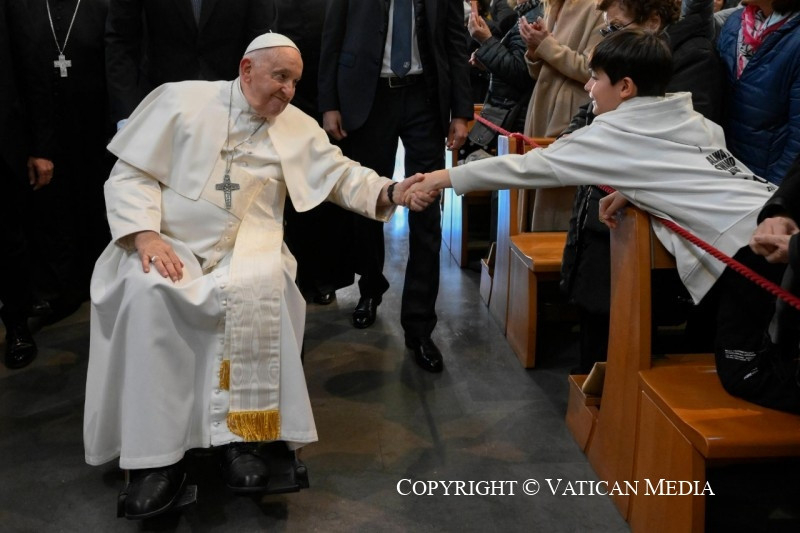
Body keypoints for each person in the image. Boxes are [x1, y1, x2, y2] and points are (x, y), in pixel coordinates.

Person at [84, 33, 434, 520]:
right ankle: (155, 460)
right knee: (149, 291)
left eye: (295, 82)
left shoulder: (296, 126)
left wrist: (393, 191)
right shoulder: (179, 101)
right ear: (247, 70)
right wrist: (145, 236)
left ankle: (243, 441)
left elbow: (341, 175)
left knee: (266, 285)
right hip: (168, 244)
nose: (288, 90)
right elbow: (130, 174)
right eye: (280, 77)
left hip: (248, 246)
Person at [405, 29, 798, 412]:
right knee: (774, 349)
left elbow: (524, 168)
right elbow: (685, 167)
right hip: (777, 217)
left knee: (745, 373)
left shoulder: (613, 132)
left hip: (752, 248)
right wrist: (633, 189)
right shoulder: (685, 113)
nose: (589, 87)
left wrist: (441, 178)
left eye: (595, 78)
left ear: (625, 87)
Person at [560, 0, 724, 373]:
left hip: (637, 212)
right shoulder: (629, 55)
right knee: (595, 325)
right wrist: (574, 139)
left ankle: (611, 402)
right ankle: (592, 395)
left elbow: (681, 144)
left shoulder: (692, 58)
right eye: (607, 28)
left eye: (616, 27)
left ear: (652, 21)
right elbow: (590, 109)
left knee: (625, 333)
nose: (608, 36)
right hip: (602, 204)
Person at [318, 0, 473, 373]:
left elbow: (456, 42)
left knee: (427, 213)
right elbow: (332, 35)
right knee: (367, 204)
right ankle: (370, 288)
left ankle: (420, 327)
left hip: (425, 98)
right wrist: (329, 103)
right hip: (367, 97)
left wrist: (462, 111)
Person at [26, 0, 111, 325]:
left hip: (95, 127)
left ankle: (98, 279)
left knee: (94, 206)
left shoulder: (101, 7)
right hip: (45, 129)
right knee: (54, 211)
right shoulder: (28, 8)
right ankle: (64, 287)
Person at [276, 0, 356, 306]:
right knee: (279, 189)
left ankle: (322, 276)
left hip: (325, 97)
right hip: (276, 93)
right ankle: (285, 273)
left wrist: (331, 102)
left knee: (322, 187)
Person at [105, 0, 277, 127]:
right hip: (161, 106)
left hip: (235, 109)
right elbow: (121, 41)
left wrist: (258, 109)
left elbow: (263, 44)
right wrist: (127, 117)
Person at [0, 0, 54, 369]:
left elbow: (29, 68)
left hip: (5, 140)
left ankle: (16, 324)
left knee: (9, 240)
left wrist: (39, 147)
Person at [717, 0, 800, 185]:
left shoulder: (795, 38)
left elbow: (797, 137)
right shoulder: (734, 22)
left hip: (766, 178)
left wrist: (776, 190)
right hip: (724, 167)